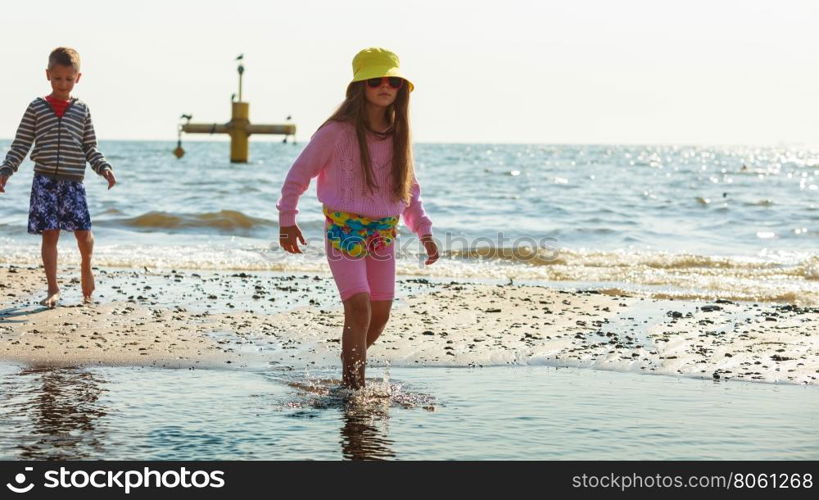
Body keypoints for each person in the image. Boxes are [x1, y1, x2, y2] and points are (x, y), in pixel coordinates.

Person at [277, 47, 438, 389]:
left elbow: (409, 190)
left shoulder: (398, 134)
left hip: (383, 233)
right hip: (344, 229)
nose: (385, 86)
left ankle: (348, 365)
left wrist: (424, 232)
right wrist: (287, 219)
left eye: (393, 81)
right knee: (359, 307)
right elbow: (298, 176)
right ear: (360, 86)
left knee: (380, 314)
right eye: (376, 80)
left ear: (400, 89)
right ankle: (354, 390)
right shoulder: (336, 131)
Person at [0, 47, 117, 308]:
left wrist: (103, 167)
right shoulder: (36, 108)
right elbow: (21, 144)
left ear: (78, 78)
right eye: (57, 78)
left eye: (68, 78)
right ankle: (53, 288)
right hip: (44, 181)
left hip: (74, 181)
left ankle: (86, 267)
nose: (62, 84)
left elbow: (90, 147)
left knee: (83, 233)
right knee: (49, 235)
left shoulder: (82, 110)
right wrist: (6, 170)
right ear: (48, 75)